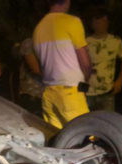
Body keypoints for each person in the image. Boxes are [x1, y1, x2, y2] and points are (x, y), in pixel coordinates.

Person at [33, 0, 92, 129]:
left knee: (58, 141)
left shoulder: (38, 28)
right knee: (85, 137)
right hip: (70, 92)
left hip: (49, 93)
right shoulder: (72, 22)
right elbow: (85, 63)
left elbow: (41, 66)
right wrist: (86, 80)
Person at [86, 8, 122, 112]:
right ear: (92, 23)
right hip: (87, 92)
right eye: (98, 21)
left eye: (104, 21)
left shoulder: (115, 41)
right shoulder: (84, 42)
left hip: (107, 93)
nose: (101, 24)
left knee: (106, 124)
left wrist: (120, 80)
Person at [17, 37, 45, 115]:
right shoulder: (30, 43)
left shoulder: (52, 44)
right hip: (32, 95)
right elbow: (35, 69)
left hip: (48, 95)